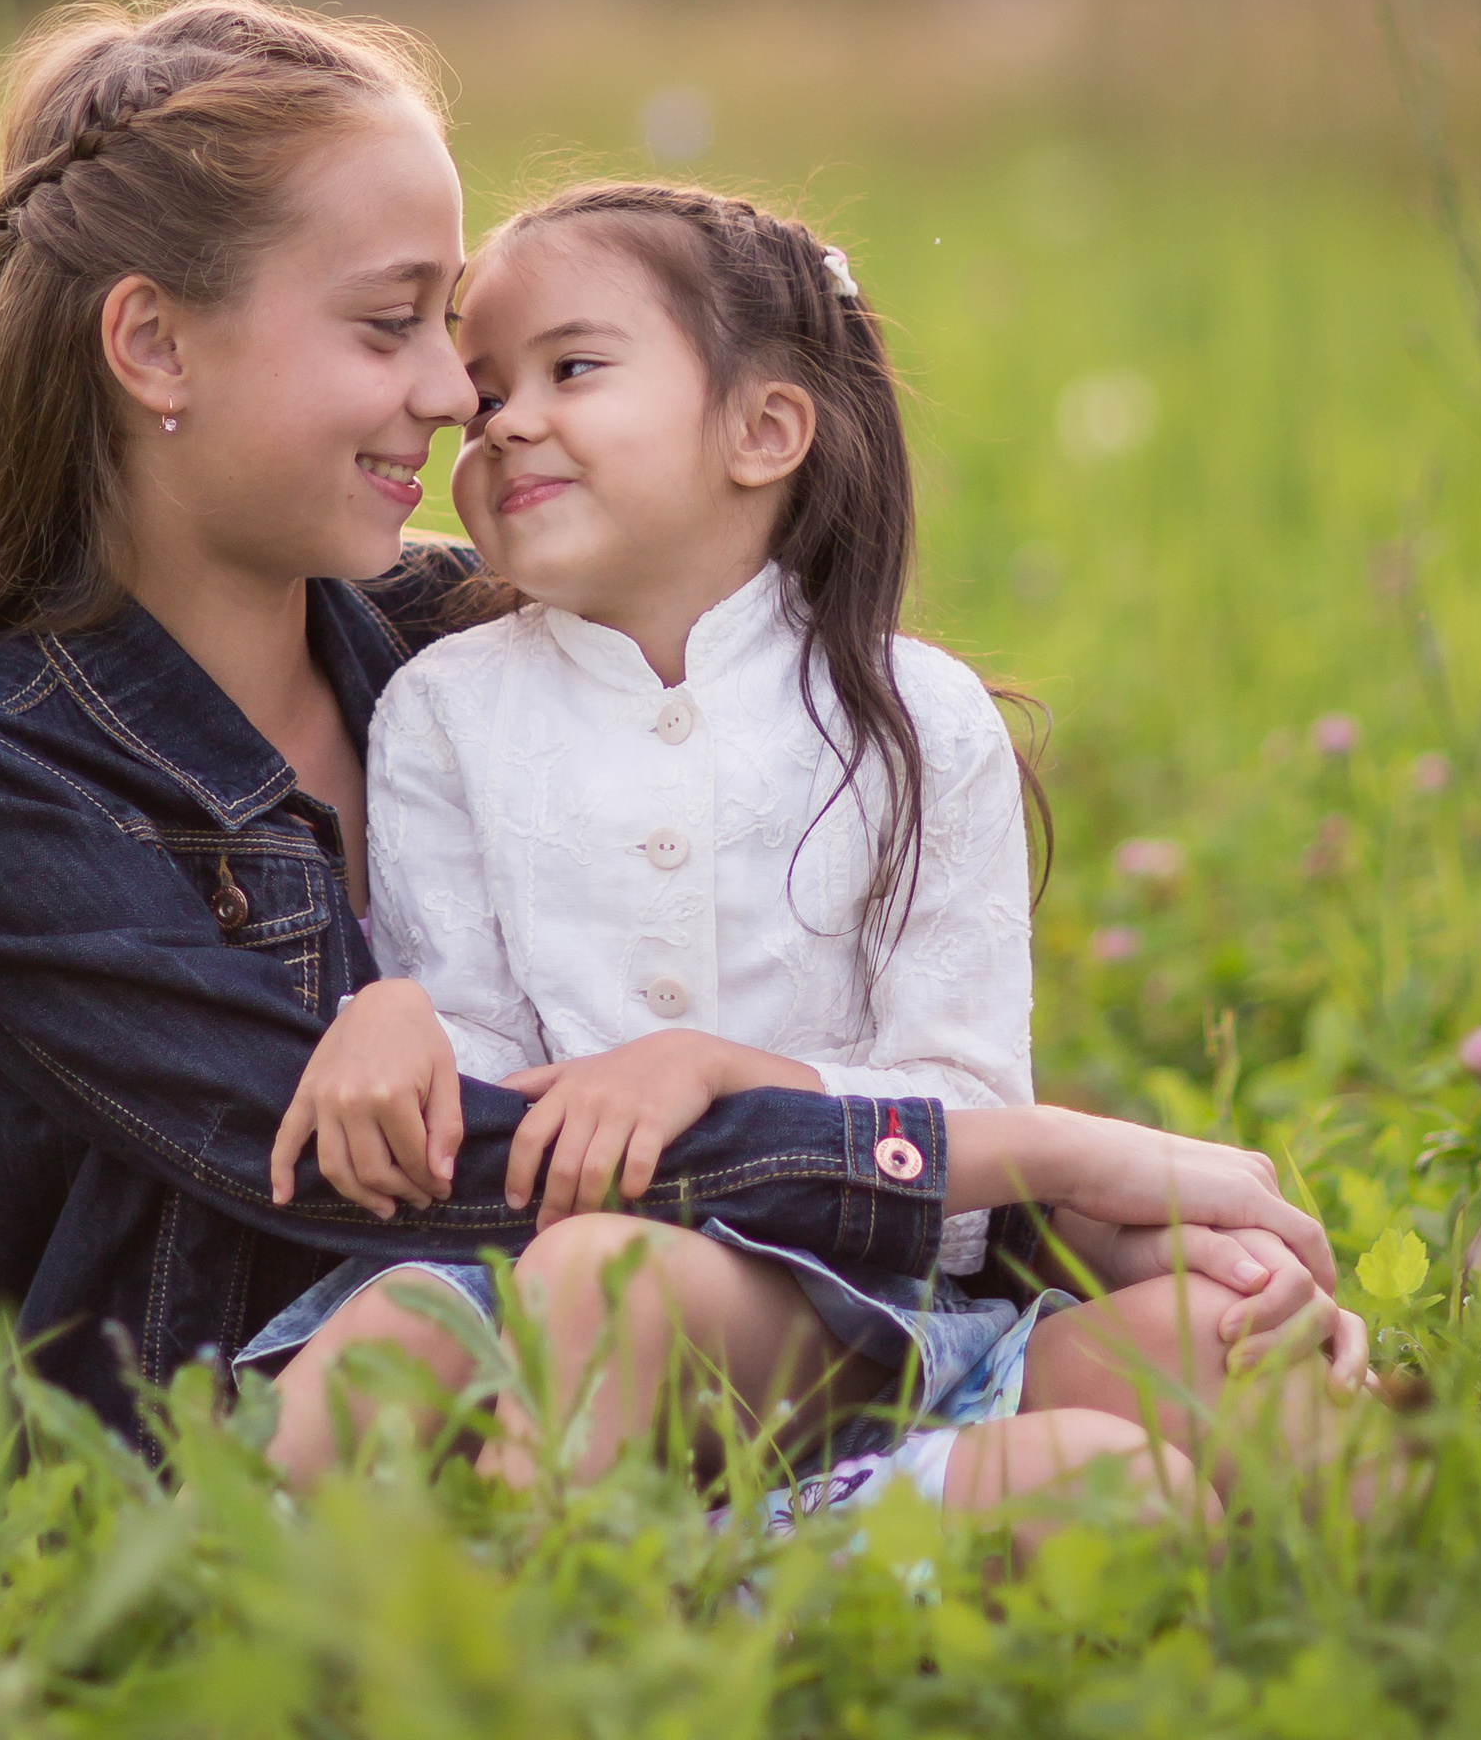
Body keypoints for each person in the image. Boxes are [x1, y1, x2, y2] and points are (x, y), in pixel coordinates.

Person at [0, 0, 979, 1441]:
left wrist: (1041, 1211)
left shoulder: (457, 642)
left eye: (449, 327)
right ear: (155, 348)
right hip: (210, 1507)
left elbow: (769, 750)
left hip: (579, 1386)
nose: (457, 396)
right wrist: (1042, 1166)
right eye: (391, 327)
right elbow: (453, 1165)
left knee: (1173, 1386)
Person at [254, 179, 1368, 1526]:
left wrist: (720, 1071)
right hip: (552, 1282)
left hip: (868, 1317)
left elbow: (964, 1115)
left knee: (1246, 1341)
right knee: (555, 1294)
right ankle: (640, 1589)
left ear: (766, 428)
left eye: (575, 368)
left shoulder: (913, 718)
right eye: (484, 396)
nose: (505, 424)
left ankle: (1377, 1621)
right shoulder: (448, 709)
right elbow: (481, 1061)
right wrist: (399, 1018)